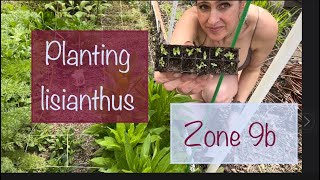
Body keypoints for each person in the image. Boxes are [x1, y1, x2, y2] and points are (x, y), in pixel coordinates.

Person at [154, 1, 278, 103]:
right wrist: (170, 67)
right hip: (199, 77)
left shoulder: (263, 26)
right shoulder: (192, 19)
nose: (212, 21)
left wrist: (237, 106)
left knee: (218, 95)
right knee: (194, 112)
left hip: (224, 80)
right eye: (204, 6)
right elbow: (176, 51)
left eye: (224, 5)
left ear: (242, 4)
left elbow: (253, 69)